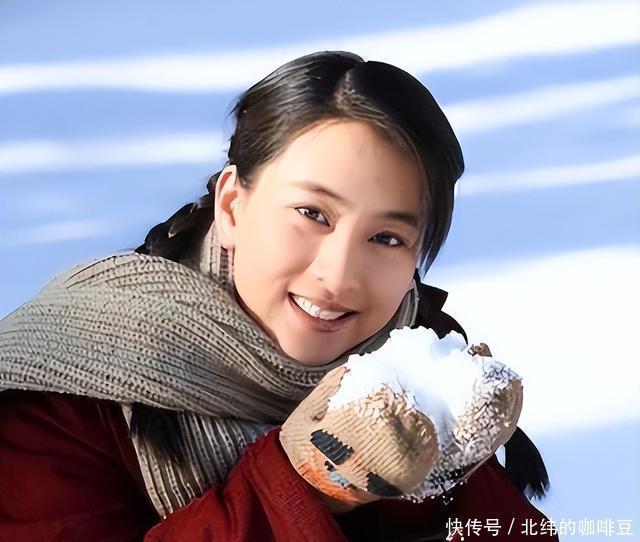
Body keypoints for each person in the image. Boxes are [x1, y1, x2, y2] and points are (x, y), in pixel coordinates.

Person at [0, 51, 558, 541]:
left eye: (387, 238)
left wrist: (436, 490)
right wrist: (305, 485)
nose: (338, 275)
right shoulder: (64, 392)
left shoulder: (409, 372)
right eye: (312, 214)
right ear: (232, 205)